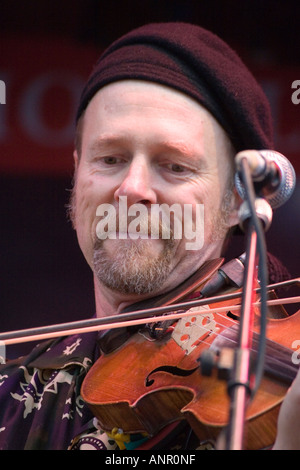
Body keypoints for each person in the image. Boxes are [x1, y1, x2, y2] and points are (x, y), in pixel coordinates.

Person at [0, 22, 296, 450]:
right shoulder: (12, 397)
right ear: (78, 174)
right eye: (111, 158)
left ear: (236, 200)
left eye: (174, 165)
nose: (133, 188)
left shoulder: (273, 399)